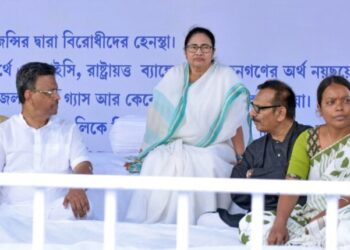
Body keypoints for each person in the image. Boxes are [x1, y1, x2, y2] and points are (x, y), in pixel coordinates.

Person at [125, 26, 251, 224]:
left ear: (213, 52)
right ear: (185, 51)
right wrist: (146, 148)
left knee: (205, 163)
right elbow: (159, 117)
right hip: (174, 143)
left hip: (214, 146)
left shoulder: (225, 78)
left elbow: (234, 123)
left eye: (205, 47)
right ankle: (160, 224)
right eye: (193, 47)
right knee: (156, 160)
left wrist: (242, 158)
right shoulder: (174, 75)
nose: (199, 52)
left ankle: (203, 221)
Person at [240, 75, 350, 247]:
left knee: (344, 232)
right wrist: (280, 223)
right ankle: (309, 238)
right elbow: (292, 184)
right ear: (319, 109)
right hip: (310, 214)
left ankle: (310, 239)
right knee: (251, 222)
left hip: (344, 213)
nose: (340, 108)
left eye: (346, 101)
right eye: (331, 102)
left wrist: (329, 214)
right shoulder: (308, 138)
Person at [198, 80, 310, 227]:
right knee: (206, 220)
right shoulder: (256, 148)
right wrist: (277, 184)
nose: (252, 113)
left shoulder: (309, 137)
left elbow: (303, 178)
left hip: (300, 215)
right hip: (259, 215)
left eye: (259, 108)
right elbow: (237, 189)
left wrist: (255, 175)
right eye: (253, 107)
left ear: (281, 113)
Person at [0, 62, 93, 219]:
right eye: (50, 92)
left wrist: (78, 187)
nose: (57, 97)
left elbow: (84, 165)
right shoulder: (4, 131)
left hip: (59, 211)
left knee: (77, 213)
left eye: (56, 91)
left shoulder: (68, 129)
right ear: (28, 95)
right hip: (13, 213)